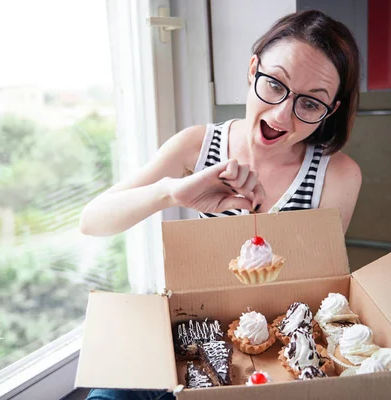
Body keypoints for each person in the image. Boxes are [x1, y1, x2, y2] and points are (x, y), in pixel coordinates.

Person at [82, 9, 361, 400]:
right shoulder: (197, 146)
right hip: (190, 332)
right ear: (253, 69)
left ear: (330, 110)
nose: (282, 114)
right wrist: (171, 193)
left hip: (275, 355)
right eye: (275, 84)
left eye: (311, 104)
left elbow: (317, 289)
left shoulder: (338, 174)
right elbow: (92, 221)